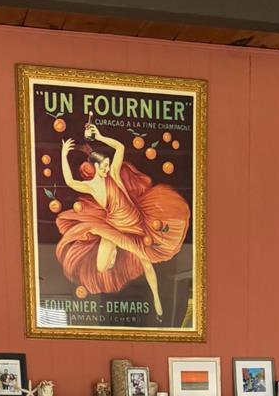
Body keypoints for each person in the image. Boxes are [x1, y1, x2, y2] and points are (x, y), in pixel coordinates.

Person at [56, 122, 190, 320]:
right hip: (120, 229)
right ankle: (151, 295)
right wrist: (63, 154)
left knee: (148, 261)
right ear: (94, 166)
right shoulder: (92, 187)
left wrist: (100, 136)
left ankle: (156, 299)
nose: (107, 168)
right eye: (103, 166)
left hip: (139, 223)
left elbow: (120, 148)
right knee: (117, 265)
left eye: (108, 165)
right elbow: (69, 182)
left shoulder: (115, 176)